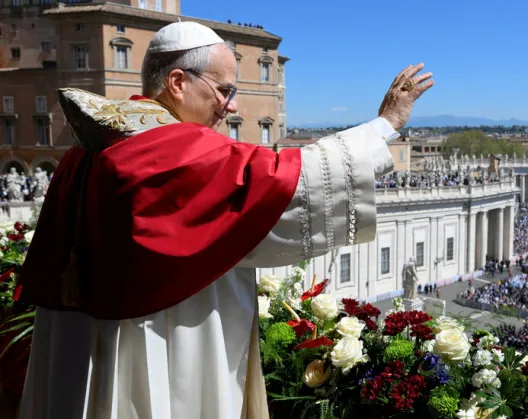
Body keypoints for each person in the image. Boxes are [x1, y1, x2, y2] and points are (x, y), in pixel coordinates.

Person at [16, 21, 433, 419]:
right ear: (178, 82)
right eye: (224, 90)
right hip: (157, 339)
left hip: (80, 345)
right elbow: (283, 181)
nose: (230, 106)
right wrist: (385, 125)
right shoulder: (169, 148)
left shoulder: (89, 146)